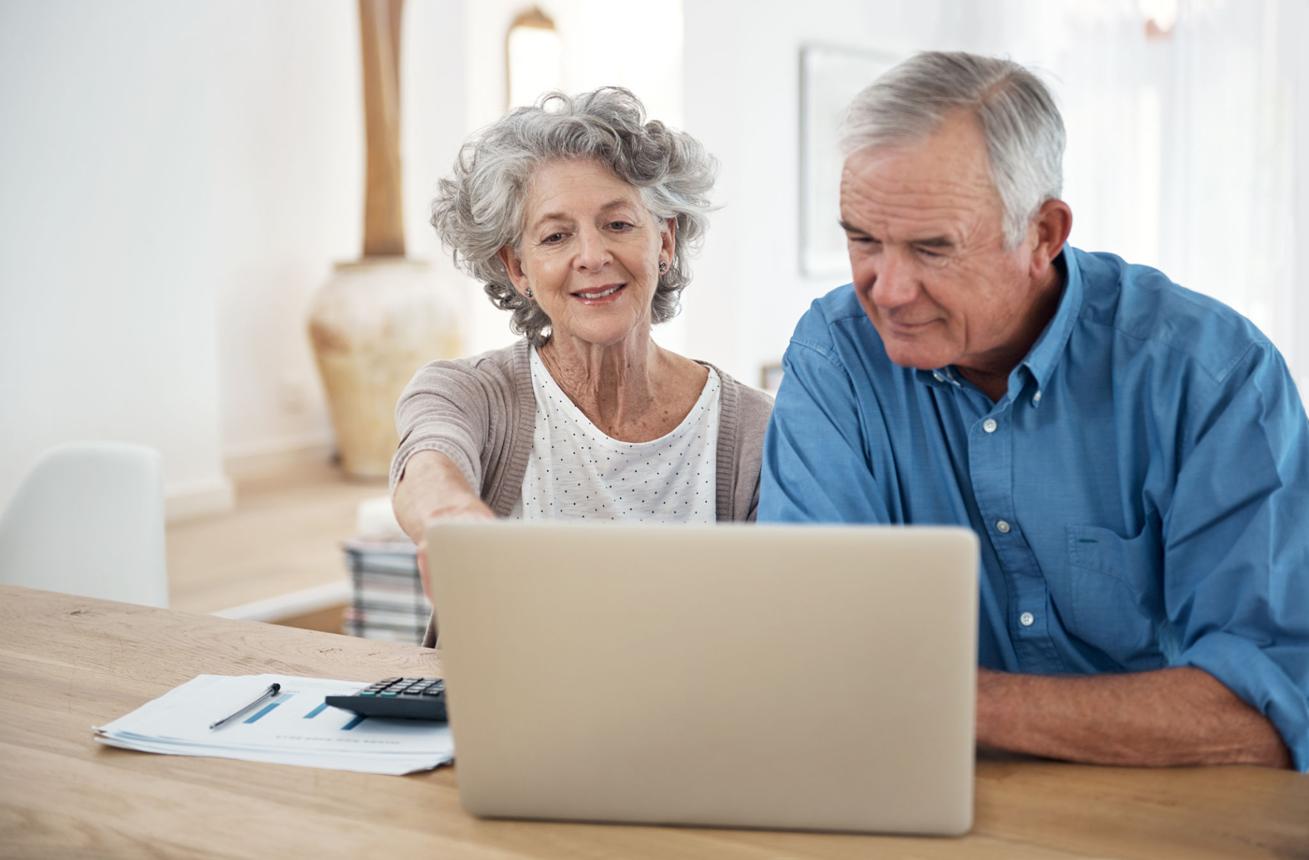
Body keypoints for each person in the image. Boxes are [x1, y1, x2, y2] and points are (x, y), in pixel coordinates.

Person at [759, 51, 1308, 770]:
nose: (885, 290)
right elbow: (808, 647)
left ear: (1042, 234)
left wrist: (944, 700)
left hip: (1168, 808)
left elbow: (1263, 715)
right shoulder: (836, 355)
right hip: (923, 794)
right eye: (862, 239)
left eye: (931, 248)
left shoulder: (1209, 373)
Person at [392, 88, 772, 642]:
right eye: (556, 235)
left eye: (618, 225)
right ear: (518, 268)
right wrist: (451, 522)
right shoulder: (468, 394)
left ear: (664, 241)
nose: (592, 256)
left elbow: (771, 622)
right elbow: (427, 466)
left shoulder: (753, 430)